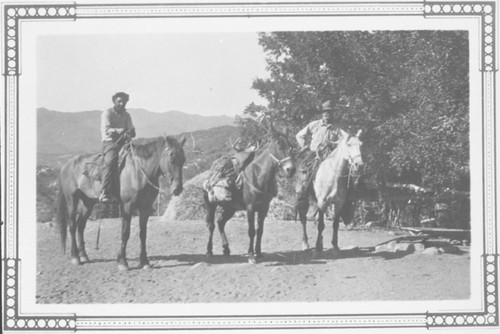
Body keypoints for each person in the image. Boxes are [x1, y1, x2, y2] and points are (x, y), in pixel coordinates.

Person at [295, 100, 343, 211]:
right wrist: (305, 146)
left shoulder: (336, 128)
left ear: (333, 114)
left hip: (330, 157)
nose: (327, 114)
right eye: (325, 112)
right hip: (314, 155)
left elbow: (344, 140)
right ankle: (301, 200)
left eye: (330, 112)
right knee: (305, 175)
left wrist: (334, 143)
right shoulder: (314, 125)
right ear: (322, 113)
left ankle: (339, 201)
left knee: (343, 174)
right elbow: (299, 135)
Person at [99, 92, 136, 203]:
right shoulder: (107, 113)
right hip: (110, 143)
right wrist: (121, 131)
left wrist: (129, 133)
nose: (122, 104)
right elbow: (107, 130)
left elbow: (131, 130)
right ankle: (105, 191)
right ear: (114, 102)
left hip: (124, 143)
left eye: (124, 102)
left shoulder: (127, 116)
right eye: (119, 101)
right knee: (110, 162)